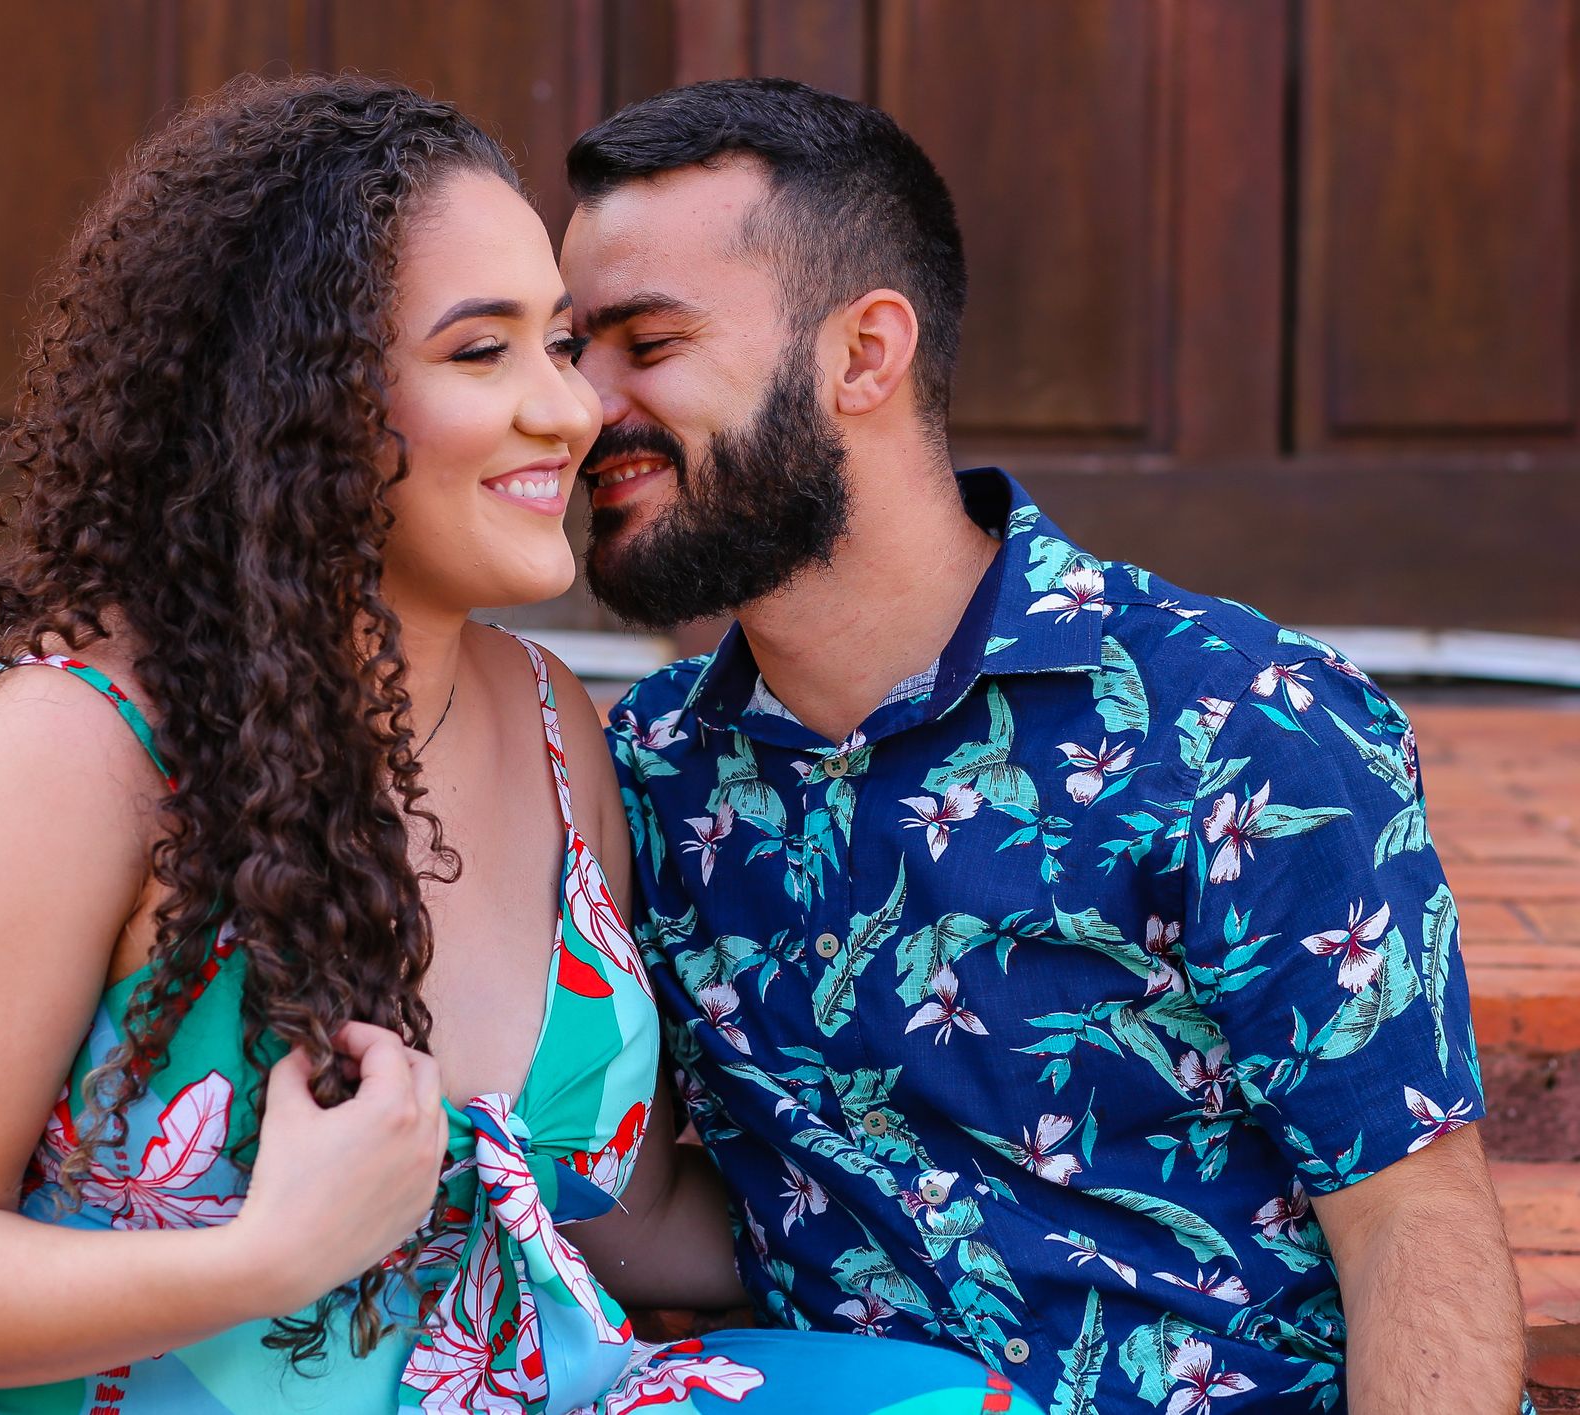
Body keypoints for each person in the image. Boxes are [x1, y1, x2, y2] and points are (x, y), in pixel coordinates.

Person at [0, 74, 1037, 1415]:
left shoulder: (557, 724)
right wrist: (268, 1256)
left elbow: (618, 1213)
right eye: (479, 352)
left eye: (558, 345)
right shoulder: (72, 754)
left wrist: (1044, 1228)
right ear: (293, 404)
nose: (570, 413)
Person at [564, 77, 1528, 1414]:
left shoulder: (1233, 727)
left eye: (644, 345)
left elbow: (1408, 1222)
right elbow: (669, 1207)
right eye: (564, 353)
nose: (572, 409)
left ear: (863, 355)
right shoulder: (661, 772)